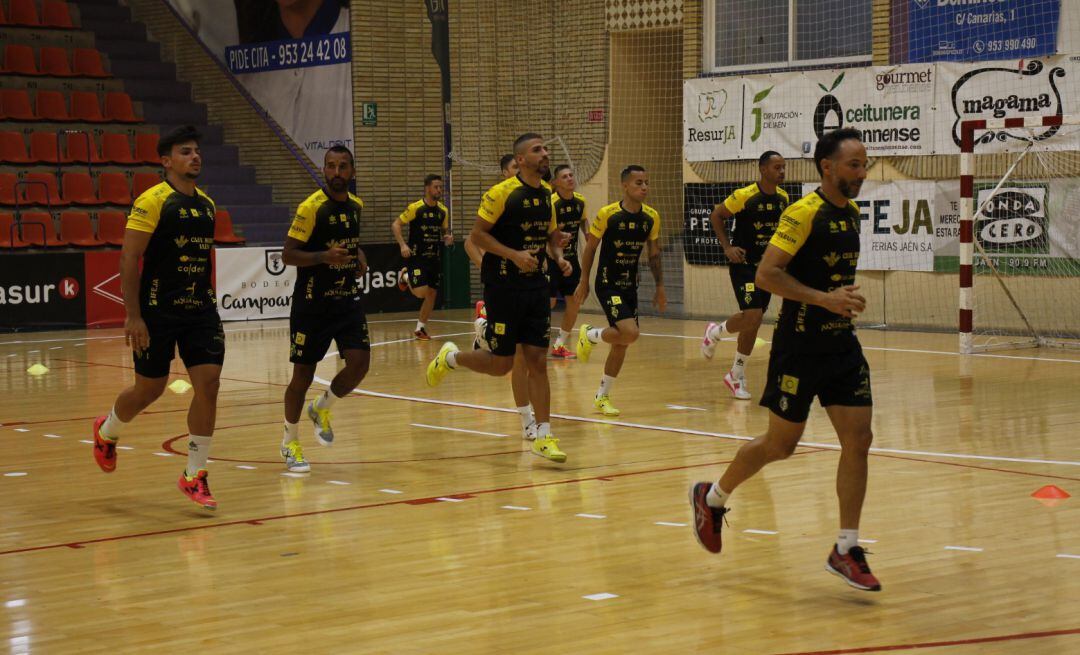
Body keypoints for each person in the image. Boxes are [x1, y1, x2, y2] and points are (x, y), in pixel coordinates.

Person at [689, 128, 881, 592]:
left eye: (865, 164)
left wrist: (843, 300)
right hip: (799, 345)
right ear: (827, 167)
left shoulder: (851, 212)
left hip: (842, 346)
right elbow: (766, 274)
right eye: (854, 164)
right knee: (780, 446)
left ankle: (845, 547)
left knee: (859, 439)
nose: (861, 172)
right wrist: (824, 299)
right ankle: (711, 498)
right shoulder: (803, 212)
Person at [90, 125, 224, 510]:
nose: (195, 157)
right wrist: (133, 316)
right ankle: (108, 430)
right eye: (185, 152)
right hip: (157, 312)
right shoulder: (152, 202)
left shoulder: (207, 205)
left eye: (197, 151)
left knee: (209, 385)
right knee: (149, 390)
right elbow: (129, 259)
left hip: (201, 312)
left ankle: (194, 475)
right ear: (166, 161)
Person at [426, 134, 571, 463]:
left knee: (537, 362)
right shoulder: (500, 193)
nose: (545, 154)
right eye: (538, 150)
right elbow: (477, 235)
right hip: (503, 286)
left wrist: (558, 251)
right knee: (502, 364)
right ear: (520, 160)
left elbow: (549, 234)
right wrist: (513, 255)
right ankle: (452, 358)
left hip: (535, 284)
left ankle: (544, 436)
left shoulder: (547, 195)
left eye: (545, 149)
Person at [279, 145, 370, 473]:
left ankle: (322, 407)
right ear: (324, 170)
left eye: (343, 166)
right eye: (330, 166)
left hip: (346, 299)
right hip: (312, 304)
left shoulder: (356, 206)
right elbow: (288, 255)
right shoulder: (311, 207)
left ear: (352, 172)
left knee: (360, 364)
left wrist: (358, 259)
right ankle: (290, 441)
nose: (336, 172)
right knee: (301, 376)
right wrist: (322, 257)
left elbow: (351, 245)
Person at [574, 165, 666, 416]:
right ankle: (591, 336)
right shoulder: (608, 214)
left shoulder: (651, 217)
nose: (644, 187)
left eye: (646, 182)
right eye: (638, 183)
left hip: (629, 286)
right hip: (607, 283)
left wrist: (659, 287)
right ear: (624, 186)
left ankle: (602, 396)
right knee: (630, 332)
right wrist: (583, 281)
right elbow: (591, 249)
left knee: (622, 343)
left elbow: (654, 254)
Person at [701, 151, 789, 399]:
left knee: (754, 321)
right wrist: (727, 247)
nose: (781, 172)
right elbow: (717, 215)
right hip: (744, 265)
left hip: (767, 269)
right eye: (776, 167)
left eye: (783, 167)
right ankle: (735, 372)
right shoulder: (744, 195)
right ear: (762, 170)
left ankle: (732, 369)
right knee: (754, 314)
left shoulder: (783, 198)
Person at [392, 174, 452, 340]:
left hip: (435, 258)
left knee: (432, 294)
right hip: (418, 257)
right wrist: (403, 245)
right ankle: (404, 275)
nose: (439, 190)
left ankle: (420, 328)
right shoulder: (416, 208)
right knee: (420, 293)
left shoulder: (443, 211)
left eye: (441, 187)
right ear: (427, 188)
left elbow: (444, 230)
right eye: (436, 187)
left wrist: (447, 236)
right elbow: (396, 224)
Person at [548, 164, 586, 358]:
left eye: (571, 175)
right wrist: (558, 258)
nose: (570, 178)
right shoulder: (552, 203)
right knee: (550, 303)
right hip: (551, 261)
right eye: (565, 176)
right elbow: (547, 235)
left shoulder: (580, 201)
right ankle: (530, 342)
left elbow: (585, 226)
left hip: (571, 260)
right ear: (556, 182)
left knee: (574, 302)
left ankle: (559, 345)